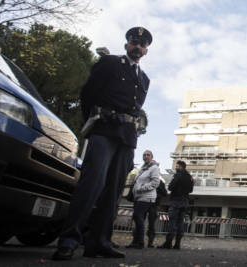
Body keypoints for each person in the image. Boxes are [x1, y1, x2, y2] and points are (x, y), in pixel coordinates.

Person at [52, 26, 152, 261]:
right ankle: (69, 240)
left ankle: (99, 242)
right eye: (134, 42)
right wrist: (94, 121)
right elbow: (87, 94)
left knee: (114, 191)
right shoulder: (109, 63)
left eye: (142, 44)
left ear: (146, 50)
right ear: (127, 44)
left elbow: (136, 109)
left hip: (127, 137)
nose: (138, 47)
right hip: (104, 130)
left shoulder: (144, 79)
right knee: (91, 185)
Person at [126, 150, 161, 249]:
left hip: (146, 197)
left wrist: (141, 189)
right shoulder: (142, 169)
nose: (146, 156)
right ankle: (135, 241)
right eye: (144, 155)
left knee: (138, 218)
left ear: (152, 157)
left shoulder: (154, 168)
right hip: (139, 197)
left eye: (148, 155)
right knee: (137, 218)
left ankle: (140, 242)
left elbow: (155, 182)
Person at [159, 160, 194, 250]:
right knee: (180, 223)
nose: (176, 168)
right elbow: (190, 190)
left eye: (177, 166)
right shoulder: (189, 177)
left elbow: (171, 187)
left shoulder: (178, 175)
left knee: (172, 223)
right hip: (184, 201)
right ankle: (177, 244)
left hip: (176, 201)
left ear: (181, 167)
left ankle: (168, 243)